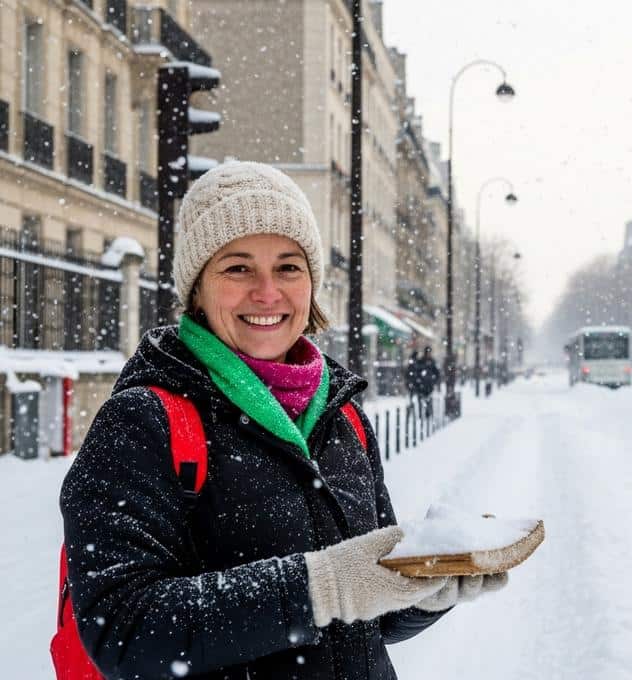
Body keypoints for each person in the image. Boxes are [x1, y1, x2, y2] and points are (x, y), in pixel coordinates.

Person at [59, 161, 506, 680]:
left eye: (289, 267)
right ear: (197, 289)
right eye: (238, 268)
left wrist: (426, 590)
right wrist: (321, 587)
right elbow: (123, 630)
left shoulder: (343, 416)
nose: (267, 292)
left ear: (311, 283)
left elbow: (366, 617)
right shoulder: (143, 421)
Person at [414, 346, 440, 417]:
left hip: (429, 384)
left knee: (428, 399)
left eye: (429, 352)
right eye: (427, 352)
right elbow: (417, 371)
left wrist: (434, 381)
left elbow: (436, 372)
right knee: (421, 399)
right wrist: (418, 380)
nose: (428, 354)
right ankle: (421, 413)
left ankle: (428, 413)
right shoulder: (421, 361)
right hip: (422, 384)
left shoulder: (432, 361)